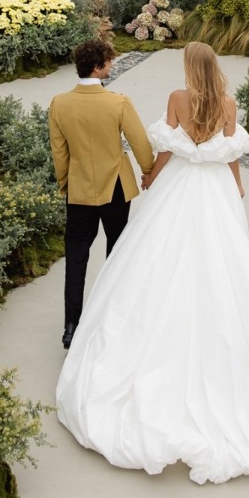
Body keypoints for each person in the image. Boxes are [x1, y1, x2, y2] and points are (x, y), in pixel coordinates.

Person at [56, 41, 249, 485]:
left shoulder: (177, 99)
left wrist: (153, 175)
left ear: (191, 69)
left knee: (149, 258)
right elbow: (230, 154)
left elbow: (169, 147)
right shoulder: (228, 104)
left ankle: (90, 324)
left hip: (177, 188)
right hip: (214, 190)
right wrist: (237, 187)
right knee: (224, 263)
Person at [48, 38, 155, 350]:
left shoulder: (59, 103)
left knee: (76, 257)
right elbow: (139, 144)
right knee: (117, 253)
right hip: (117, 189)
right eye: (109, 62)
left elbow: (60, 153)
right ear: (97, 66)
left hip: (79, 190)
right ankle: (111, 318)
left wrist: (68, 183)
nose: (112, 65)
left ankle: (71, 325)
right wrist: (148, 170)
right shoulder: (118, 102)